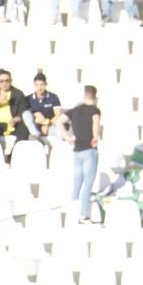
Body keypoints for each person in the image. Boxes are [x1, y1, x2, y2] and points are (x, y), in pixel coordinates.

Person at [57, 85, 102, 224]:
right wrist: (95, 136)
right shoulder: (95, 110)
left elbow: (58, 121)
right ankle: (83, 214)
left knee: (77, 182)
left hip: (77, 150)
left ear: (84, 96)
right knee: (88, 183)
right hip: (89, 149)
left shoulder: (75, 110)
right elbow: (95, 123)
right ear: (95, 97)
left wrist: (67, 137)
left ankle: (72, 211)